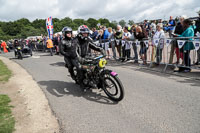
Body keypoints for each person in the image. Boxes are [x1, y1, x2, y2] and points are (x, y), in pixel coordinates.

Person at [74, 25, 105, 89]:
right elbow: (74, 52)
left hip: (85, 56)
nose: (85, 34)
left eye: (87, 33)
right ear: (80, 33)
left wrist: (101, 49)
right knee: (80, 68)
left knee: (96, 65)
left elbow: (94, 46)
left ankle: (95, 79)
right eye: (84, 33)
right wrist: (80, 59)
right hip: (77, 57)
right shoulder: (75, 41)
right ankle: (81, 83)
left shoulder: (87, 39)